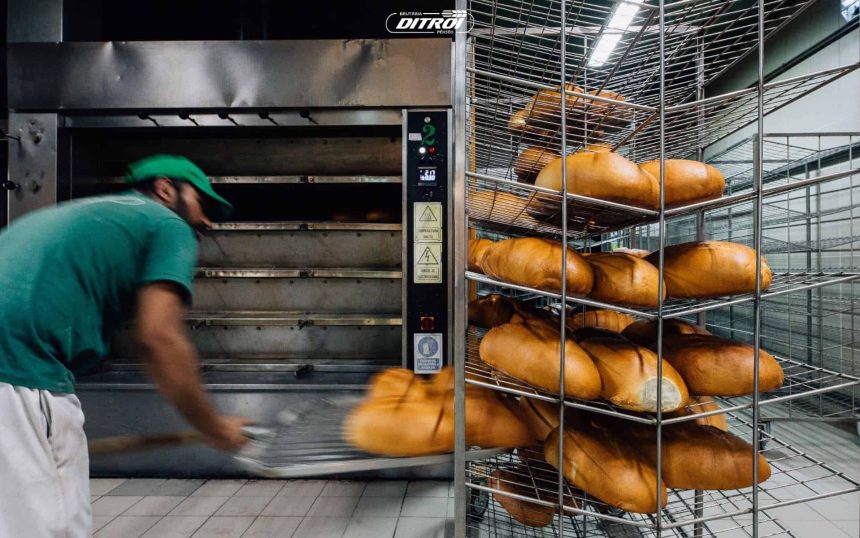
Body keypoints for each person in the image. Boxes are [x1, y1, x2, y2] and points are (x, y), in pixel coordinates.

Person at [0, 154, 251, 537]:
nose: (208, 221)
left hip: (15, 370)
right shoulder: (166, 223)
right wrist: (214, 427)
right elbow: (158, 338)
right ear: (166, 189)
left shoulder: (79, 215)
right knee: (54, 528)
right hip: (18, 370)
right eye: (204, 203)